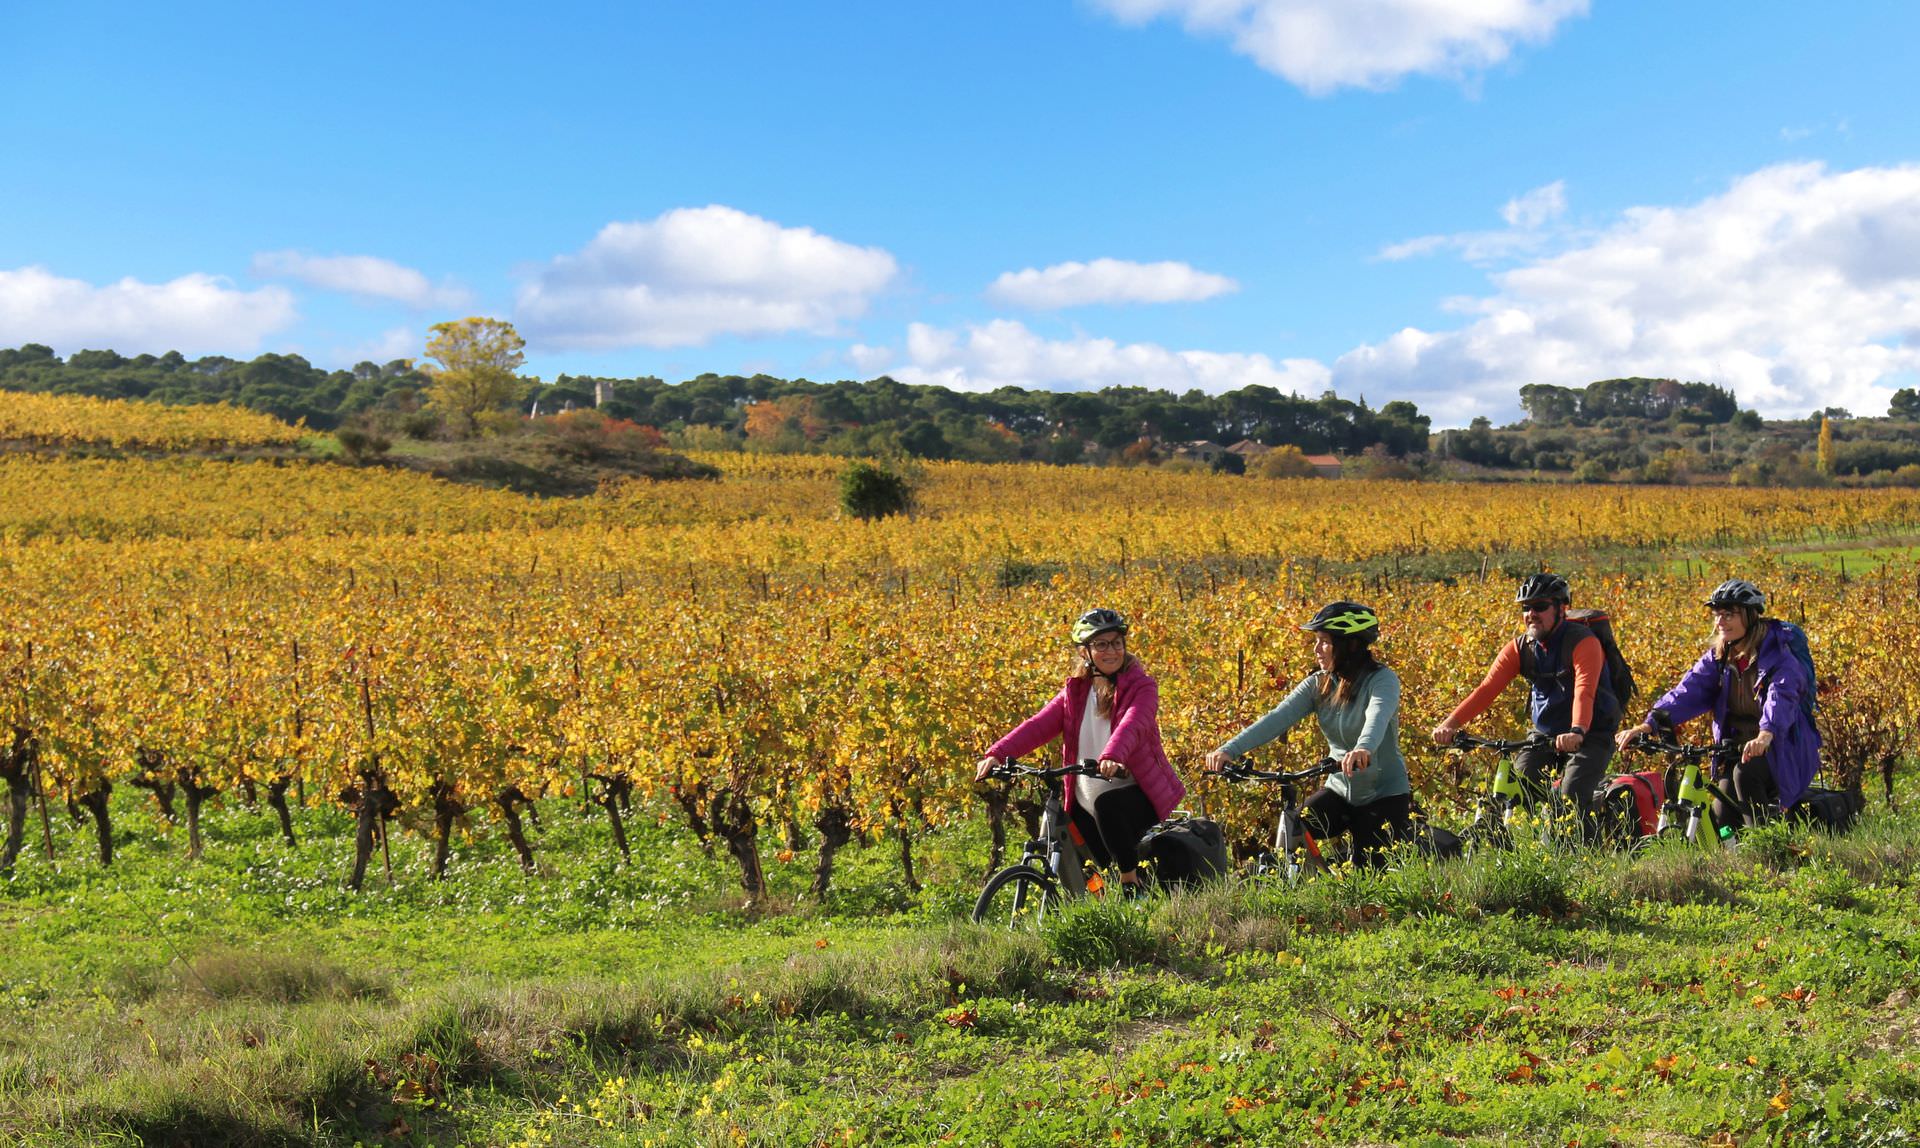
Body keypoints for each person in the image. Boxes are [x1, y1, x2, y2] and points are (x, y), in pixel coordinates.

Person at [975, 608, 1185, 895]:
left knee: (1109, 813)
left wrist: (1112, 756)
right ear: (1084, 652)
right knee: (1096, 871)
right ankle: (1113, 906)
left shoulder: (1142, 687)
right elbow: (1038, 725)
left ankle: (1131, 883)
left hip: (1136, 794)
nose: (1111, 650)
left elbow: (1133, 724)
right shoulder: (1075, 693)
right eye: (1101, 644)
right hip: (1085, 797)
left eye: (1116, 643)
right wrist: (998, 753)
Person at [1205, 601, 1411, 867]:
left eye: (1324, 641)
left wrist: (1364, 748)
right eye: (1316, 641)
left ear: (1351, 644)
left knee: (1369, 878)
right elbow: (1276, 719)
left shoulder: (1382, 680)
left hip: (1383, 794)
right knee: (1296, 832)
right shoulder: (1320, 683)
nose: (1316, 649)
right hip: (1340, 789)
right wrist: (1228, 750)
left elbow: (1378, 716)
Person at [1615, 579, 1820, 830]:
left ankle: (1768, 850)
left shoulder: (1778, 655)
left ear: (1750, 615)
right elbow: (1688, 691)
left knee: (1744, 776)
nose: (1720, 622)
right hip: (1736, 749)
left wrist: (1766, 734)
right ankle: (1734, 863)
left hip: (1781, 745)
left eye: (1729, 615)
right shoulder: (1720, 657)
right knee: (1722, 816)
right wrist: (1649, 725)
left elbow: (1782, 696)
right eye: (1717, 615)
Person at [1431, 573, 1620, 839]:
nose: (1531, 613)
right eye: (1525, 608)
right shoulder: (1521, 648)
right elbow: (1486, 690)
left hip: (1591, 732)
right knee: (1518, 786)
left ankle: (1586, 858)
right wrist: (1449, 725)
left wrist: (1578, 730)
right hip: (1545, 733)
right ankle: (1531, 851)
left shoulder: (1584, 642)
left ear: (1561, 608)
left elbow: (1584, 691)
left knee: (1572, 794)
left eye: (1540, 606)